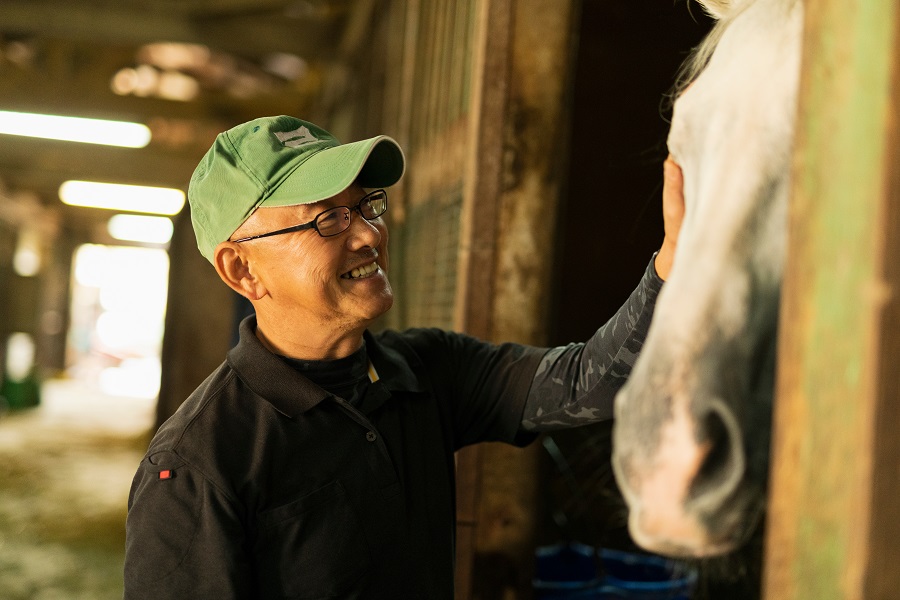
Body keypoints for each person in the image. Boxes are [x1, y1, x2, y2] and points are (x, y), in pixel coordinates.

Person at [123, 115, 685, 599]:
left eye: (365, 207)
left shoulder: (424, 370)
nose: (369, 234)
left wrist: (675, 263)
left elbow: (586, 383)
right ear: (242, 270)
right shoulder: (195, 467)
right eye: (328, 219)